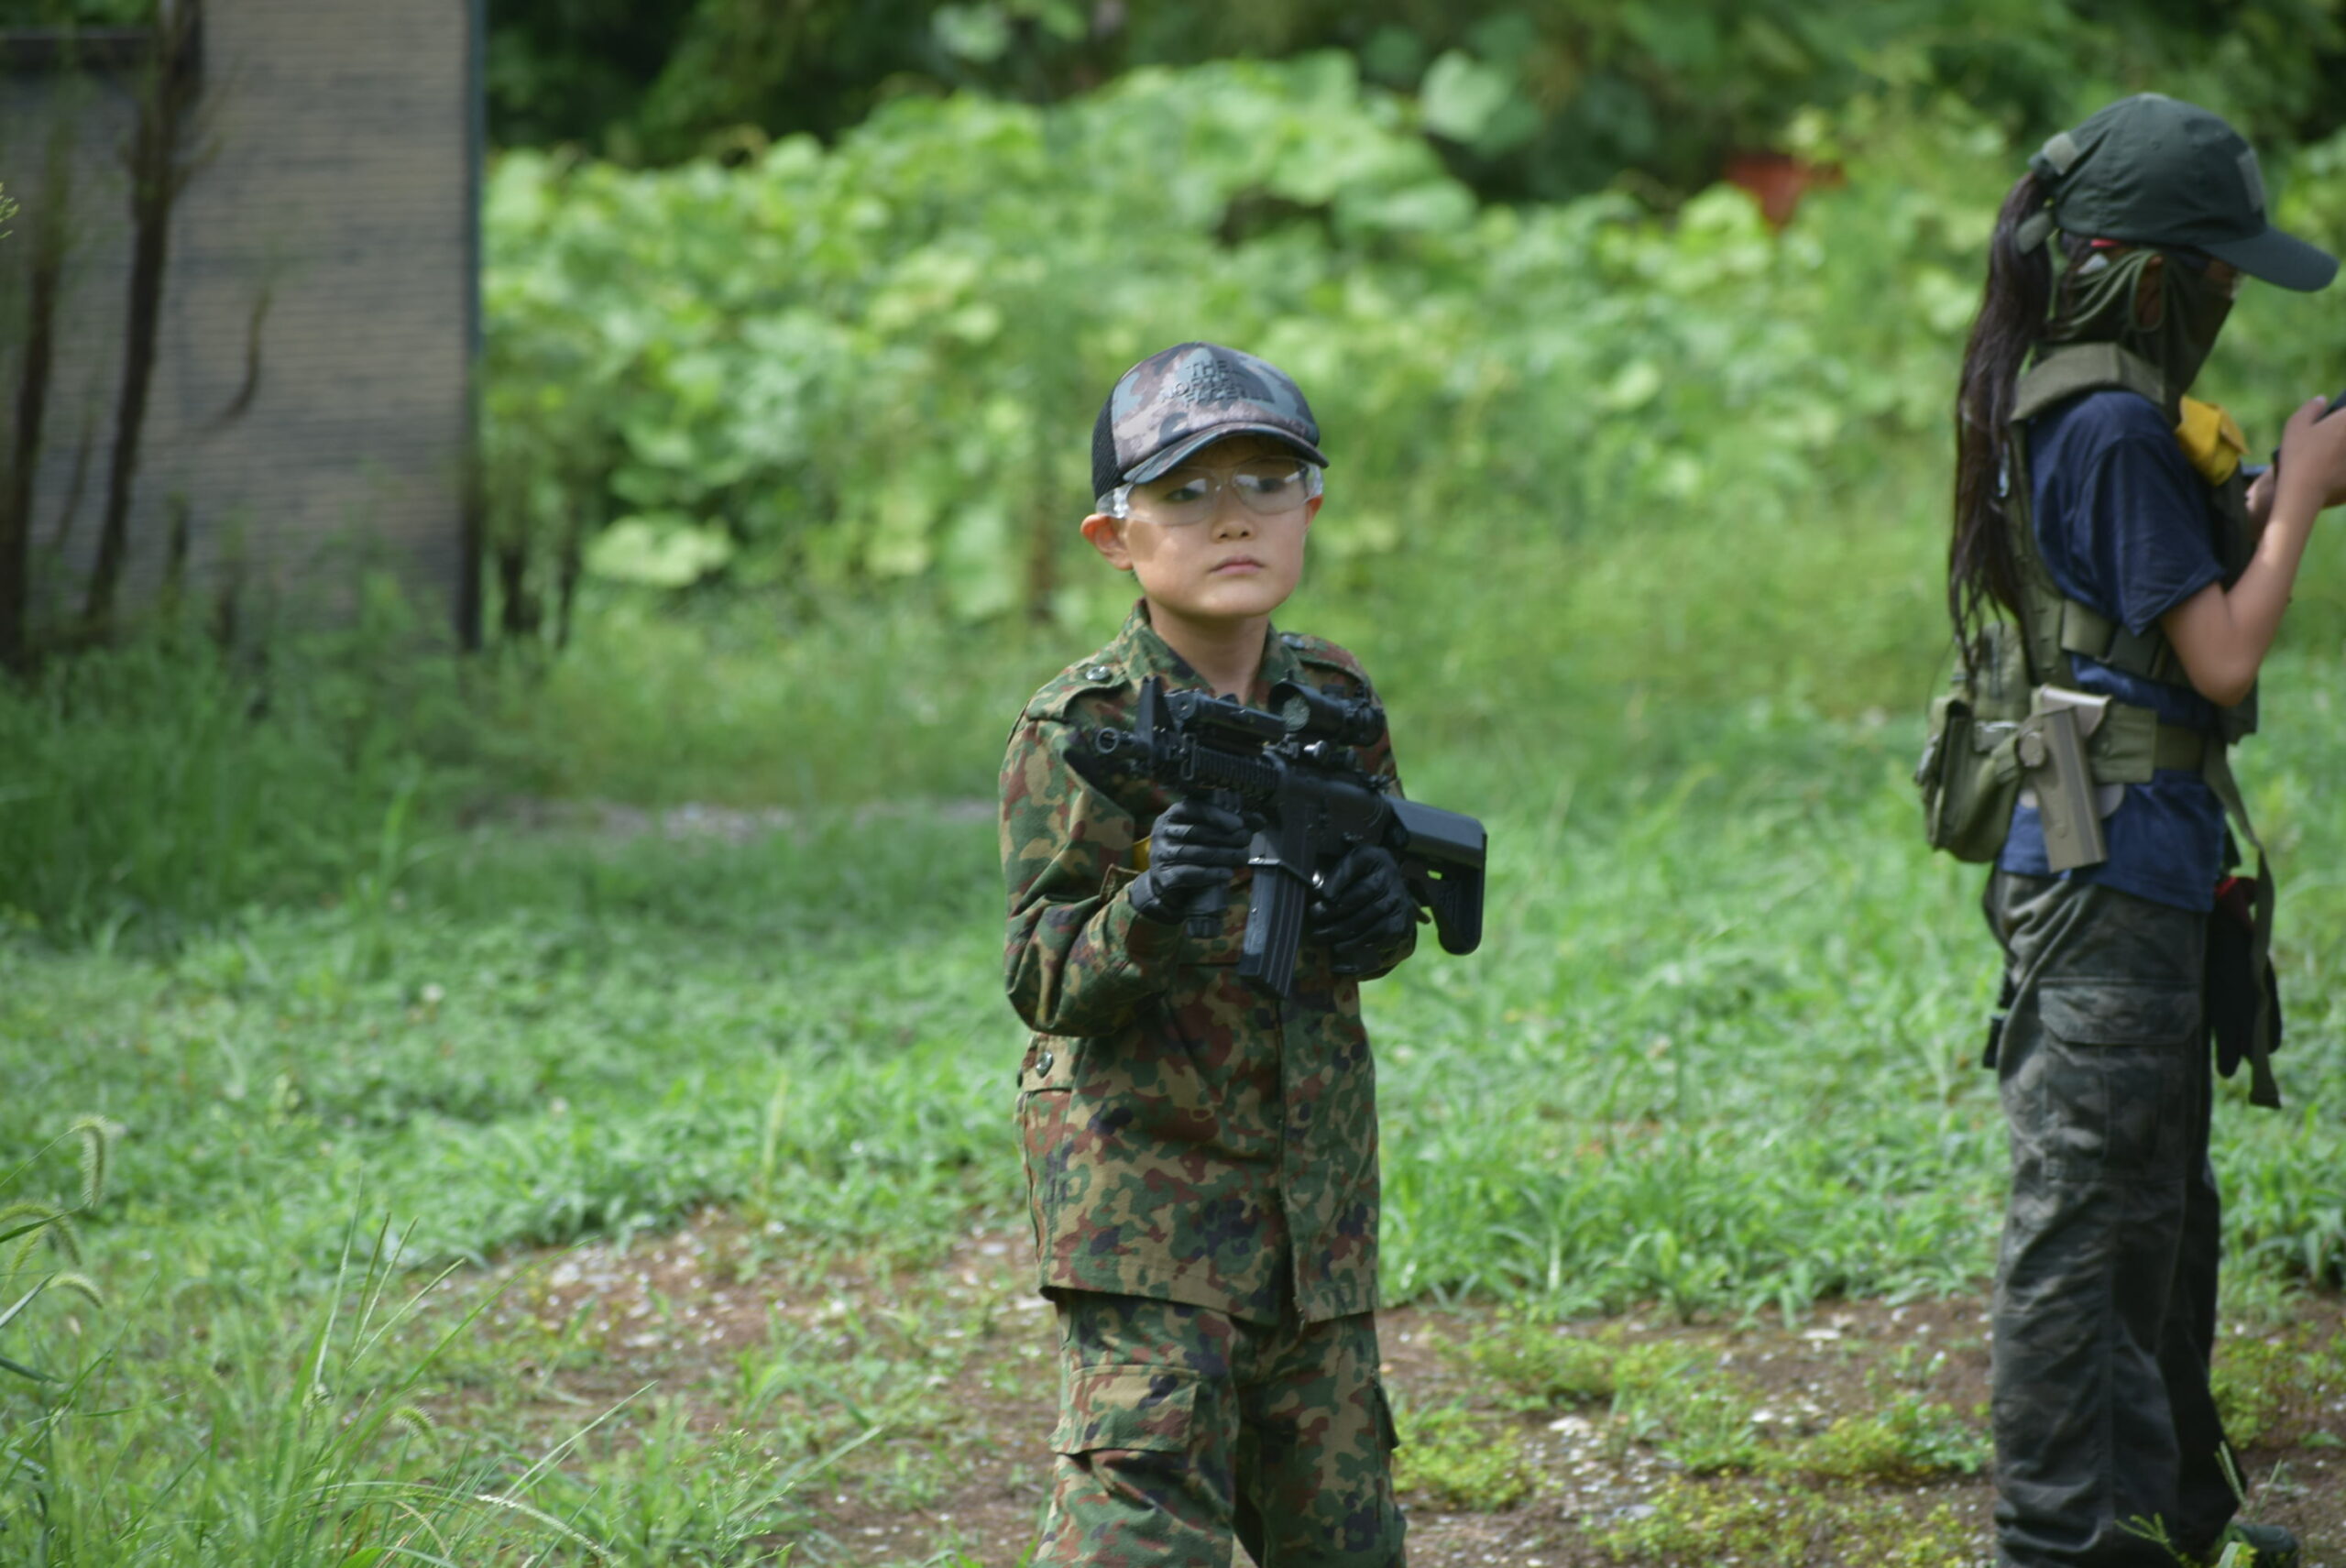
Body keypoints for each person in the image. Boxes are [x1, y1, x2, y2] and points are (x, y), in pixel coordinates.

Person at [1943, 94, 2346, 1568]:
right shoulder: (2110, 423)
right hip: (2107, 862)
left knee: (2158, 1208)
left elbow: (2149, 610)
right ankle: (2059, 1542)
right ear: (2143, 275)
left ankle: (2165, 1520)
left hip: (2140, 849)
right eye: (2218, 268)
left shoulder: (2093, 406)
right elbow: (2223, 657)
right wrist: (2301, 504)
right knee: (2090, 1216)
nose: (2234, 294)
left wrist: (2259, 496)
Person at [999, 342, 1417, 1566]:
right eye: (1185, 492)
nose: (1234, 518)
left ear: (1311, 510)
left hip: (1316, 1224)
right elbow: (1042, 977)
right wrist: (1155, 902)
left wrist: (1382, 915)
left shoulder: (1332, 695)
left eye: (1267, 484)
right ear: (1113, 537)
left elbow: (1371, 902)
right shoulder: (1084, 727)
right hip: (1146, 1219)